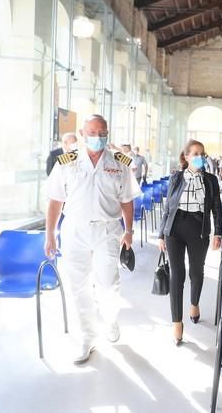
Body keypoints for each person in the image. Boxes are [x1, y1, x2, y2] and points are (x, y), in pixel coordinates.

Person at [44, 114, 140, 364]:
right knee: (79, 286)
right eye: (93, 133)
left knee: (108, 283)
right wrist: (50, 234)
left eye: (102, 132)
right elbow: (55, 200)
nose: (98, 137)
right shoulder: (67, 162)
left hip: (108, 230)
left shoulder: (120, 162)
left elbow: (127, 200)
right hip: (75, 230)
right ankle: (87, 336)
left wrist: (128, 231)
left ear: (107, 133)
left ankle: (110, 319)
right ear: (83, 133)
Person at [158, 140, 222, 345]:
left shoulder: (211, 180)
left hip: (198, 227)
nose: (199, 157)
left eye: (202, 154)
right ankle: (177, 321)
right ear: (186, 156)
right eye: (195, 153)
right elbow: (168, 206)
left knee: (197, 271)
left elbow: (217, 208)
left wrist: (218, 233)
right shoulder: (176, 177)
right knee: (177, 275)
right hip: (175, 228)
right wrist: (161, 234)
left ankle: (194, 303)